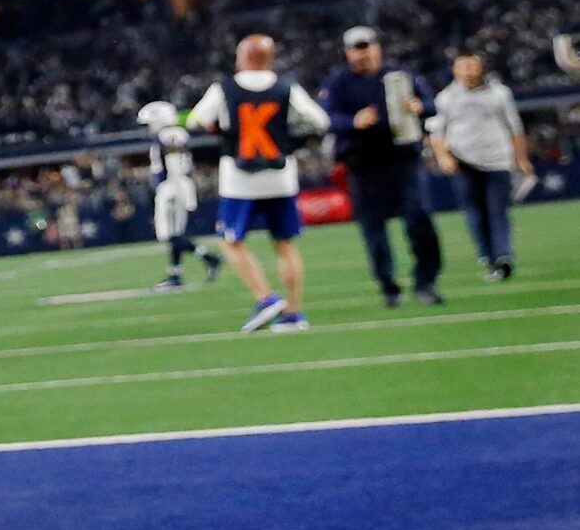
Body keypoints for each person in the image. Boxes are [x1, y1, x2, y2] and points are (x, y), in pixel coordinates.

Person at [185, 33, 332, 333]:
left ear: (244, 58)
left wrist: (221, 126)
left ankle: (265, 298)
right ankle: (293, 313)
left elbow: (195, 121)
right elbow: (320, 121)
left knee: (230, 241)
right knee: (285, 244)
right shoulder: (286, 88)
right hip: (280, 175)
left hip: (239, 178)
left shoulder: (224, 89)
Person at [317, 26, 443, 308]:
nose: (362, 54)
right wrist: (353, 122)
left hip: (404, 159)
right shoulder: (338, 83)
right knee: (373, 229)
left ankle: (426, 280)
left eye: (366, 47)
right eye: (356, 49)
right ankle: (388, 286)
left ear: (377, 47)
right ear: (348, 53)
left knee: (419, 218)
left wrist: (419, 106)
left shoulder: (401, 76)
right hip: (363, 164)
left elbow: (434, 104)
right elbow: (326, 118)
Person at [430, 46, 534, 280]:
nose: (467, 70)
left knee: (498, 211)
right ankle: (488, 254)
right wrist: (443, 156)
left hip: (497, 160)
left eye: (471, 64)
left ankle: (503, 255)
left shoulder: (499, 93)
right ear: (454, 70)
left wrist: (521, 158)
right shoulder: (446, 98)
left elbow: (515, 128)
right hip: (464, 160)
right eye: (462, 65)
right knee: (474, 213)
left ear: (480, 66)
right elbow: (436, 131)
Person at [136, 100, 227, 291]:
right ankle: (202, 261)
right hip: (174, 184)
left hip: (173, 185)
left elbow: (174, 164)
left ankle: (178, 274)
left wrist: (174, 190)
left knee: (171, 233)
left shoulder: (170, 134)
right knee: (173, 234)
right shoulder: (171, 134)